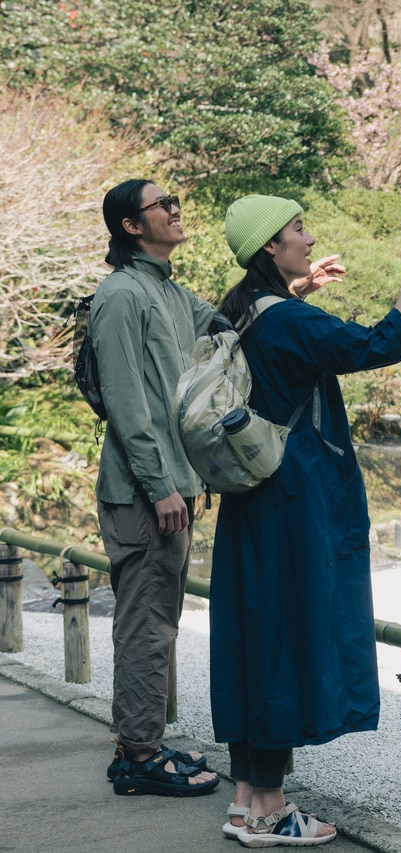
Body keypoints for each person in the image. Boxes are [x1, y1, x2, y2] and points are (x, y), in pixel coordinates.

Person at [209, 195, 401, 847]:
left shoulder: (239, 310)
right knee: (285, 638)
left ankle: (245, 798)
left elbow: (275, 343)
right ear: (270, 246)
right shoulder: (287, 321)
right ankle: (270, 812)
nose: (309, 238)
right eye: (297, 231)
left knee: (251, 635)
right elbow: (382, 341)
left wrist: (302, 288)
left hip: (248, 497)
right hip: (292, 497)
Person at [92, 179, 220, 796]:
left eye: (175, 201)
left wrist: (294, 286)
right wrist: (160, 485)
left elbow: (219, 324)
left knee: (158, 623)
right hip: (147, 493)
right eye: (161, 204)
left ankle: (142, 744)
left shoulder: (164, 289)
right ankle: (138, 760)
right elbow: (125, 402)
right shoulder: (120, 294)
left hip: (172, 485)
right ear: (131, 226)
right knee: (145, 626)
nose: (175, 209)